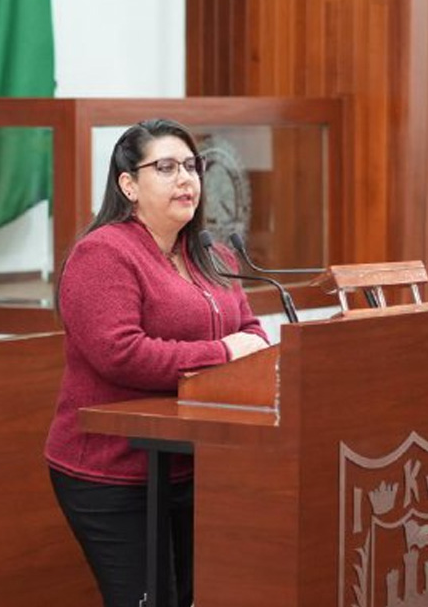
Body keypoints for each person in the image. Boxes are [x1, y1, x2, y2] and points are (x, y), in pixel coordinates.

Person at [45, 119, 270, 607]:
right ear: (128, 184)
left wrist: (241, 345)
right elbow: (120, 353)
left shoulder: (214, 253)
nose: (186, 179)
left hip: (196, 463)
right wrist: (224, 352)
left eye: (192, 166)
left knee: (192, 597)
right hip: (113, 470)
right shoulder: (103, 254)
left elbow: (252, 331)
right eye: (166, 168)